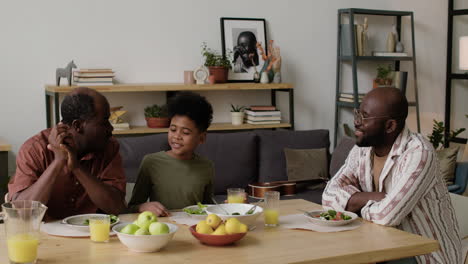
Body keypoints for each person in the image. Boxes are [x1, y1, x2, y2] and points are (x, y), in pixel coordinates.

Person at [322, 87, 461, 264]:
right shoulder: (361, 151)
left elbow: (386, 216)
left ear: (390, 126)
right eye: (358, 113)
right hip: (381, 246)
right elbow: (328, 196)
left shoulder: (418, 153)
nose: (356, 122)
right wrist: (375, 198)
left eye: (364, 117)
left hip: (424, 256)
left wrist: (353, 204)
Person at [8, 87, 127, 220]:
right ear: (78, 126)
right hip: (46, 235)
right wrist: (58, 161)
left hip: (93, 233)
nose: (111, 128)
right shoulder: (35, 149)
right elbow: (22, 214)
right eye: (104, 122)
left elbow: (117, 207)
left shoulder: (109, 147)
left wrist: (76, 168)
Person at [128, 92, 214, 216]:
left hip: (193, 228)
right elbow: (132, 207)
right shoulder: (151, 162)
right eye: (173, 129)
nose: (176, 136)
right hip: (162, 229)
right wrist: (143, 207)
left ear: (201, 138)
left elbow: (208, 207)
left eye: (185, 132)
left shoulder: (207, 166)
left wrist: (226, 208)